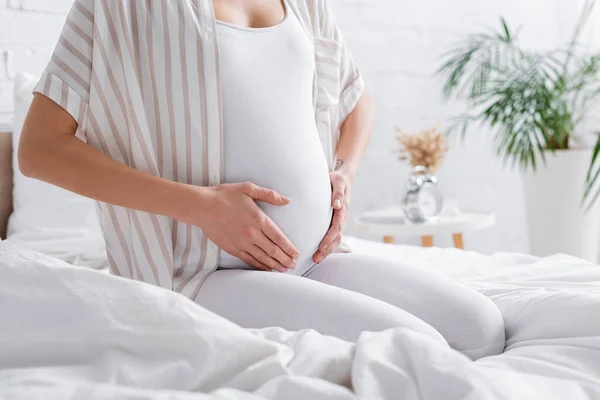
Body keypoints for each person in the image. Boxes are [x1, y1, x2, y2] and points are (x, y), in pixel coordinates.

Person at [19, 0, 505, 359]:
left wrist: (344, 172)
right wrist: (202, 206)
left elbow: (358, 101)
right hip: (204, 274)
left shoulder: (301, 3)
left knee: (482, 328)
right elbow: (39, 150)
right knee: (419, 350)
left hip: (315, 256)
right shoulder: (118, 7)